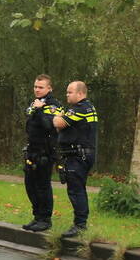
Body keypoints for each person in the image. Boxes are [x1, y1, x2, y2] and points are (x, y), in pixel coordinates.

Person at [53, 81, 98, 238]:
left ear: (80, 93)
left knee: (76, 190)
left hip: (78, 156)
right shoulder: (86, 108)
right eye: (67, 92)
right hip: (80, 154)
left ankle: (80, 225)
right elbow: (61, 128)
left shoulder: (80, 108)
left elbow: (58, 123)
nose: (67, 95)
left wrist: (57, 114)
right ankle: (80, 223)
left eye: (70, 92)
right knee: (78, 189)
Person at [21, 74, 60, 231]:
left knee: (42, 186)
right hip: (32, 150)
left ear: (49, 88)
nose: (37, 89)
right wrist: (36, 108)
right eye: (35, 86)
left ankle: (45, 219)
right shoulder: (36, 103)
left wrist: (39, 110)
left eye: (41, 87)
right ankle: (37, 216)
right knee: (30, 185)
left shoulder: (53, 105)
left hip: (45, 151)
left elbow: (48, 125)